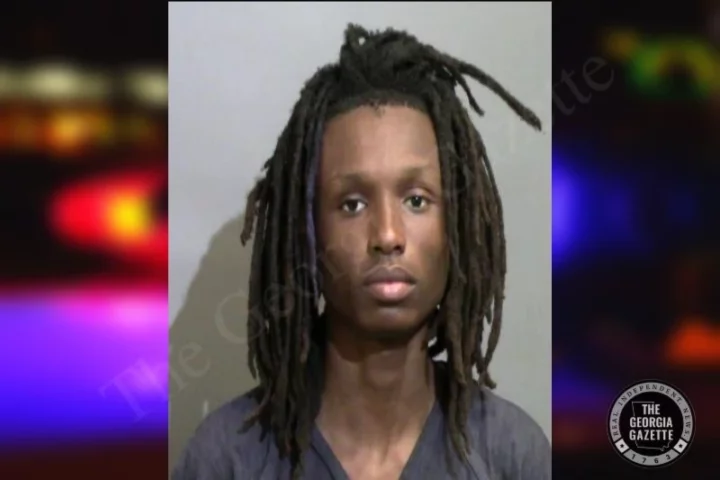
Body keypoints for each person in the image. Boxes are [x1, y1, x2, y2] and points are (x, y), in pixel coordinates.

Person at [173, 23, 550, 480]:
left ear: (457, 224)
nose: (388, 235)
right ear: (307, 231)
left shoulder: (513, 454)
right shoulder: (225, 459)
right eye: (352, 204)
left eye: (416, 200)